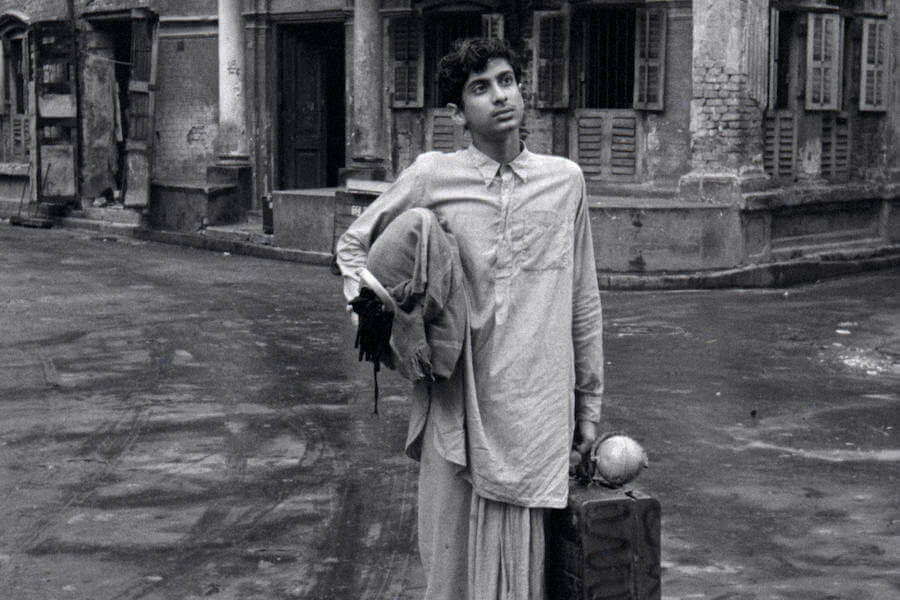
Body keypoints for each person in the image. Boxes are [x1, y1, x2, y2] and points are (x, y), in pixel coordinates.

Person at [336, 37, 604, 600]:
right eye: (480, 88)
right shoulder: (433, 176)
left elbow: (583, 298)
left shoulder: (565, 182)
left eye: (507, 81)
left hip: (535, 410)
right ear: (457, 114)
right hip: (456, 402)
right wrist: (385, 324)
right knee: (452, 569)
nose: (500, 96)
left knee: (521, 577)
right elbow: (354, 247)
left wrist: (589, 406)